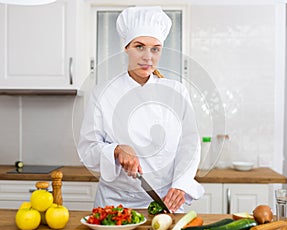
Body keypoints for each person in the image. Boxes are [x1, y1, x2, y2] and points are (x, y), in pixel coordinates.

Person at [77, 6, 204, 213]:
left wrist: (181, 184)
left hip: (165, 203)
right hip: (115, 206)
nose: (148, 57)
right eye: (139, 47)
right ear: (126, 48)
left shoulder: (176, 92)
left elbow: (189, 144)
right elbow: (87, 150)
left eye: (155, 48)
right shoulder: (102, 93)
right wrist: (116, 150)